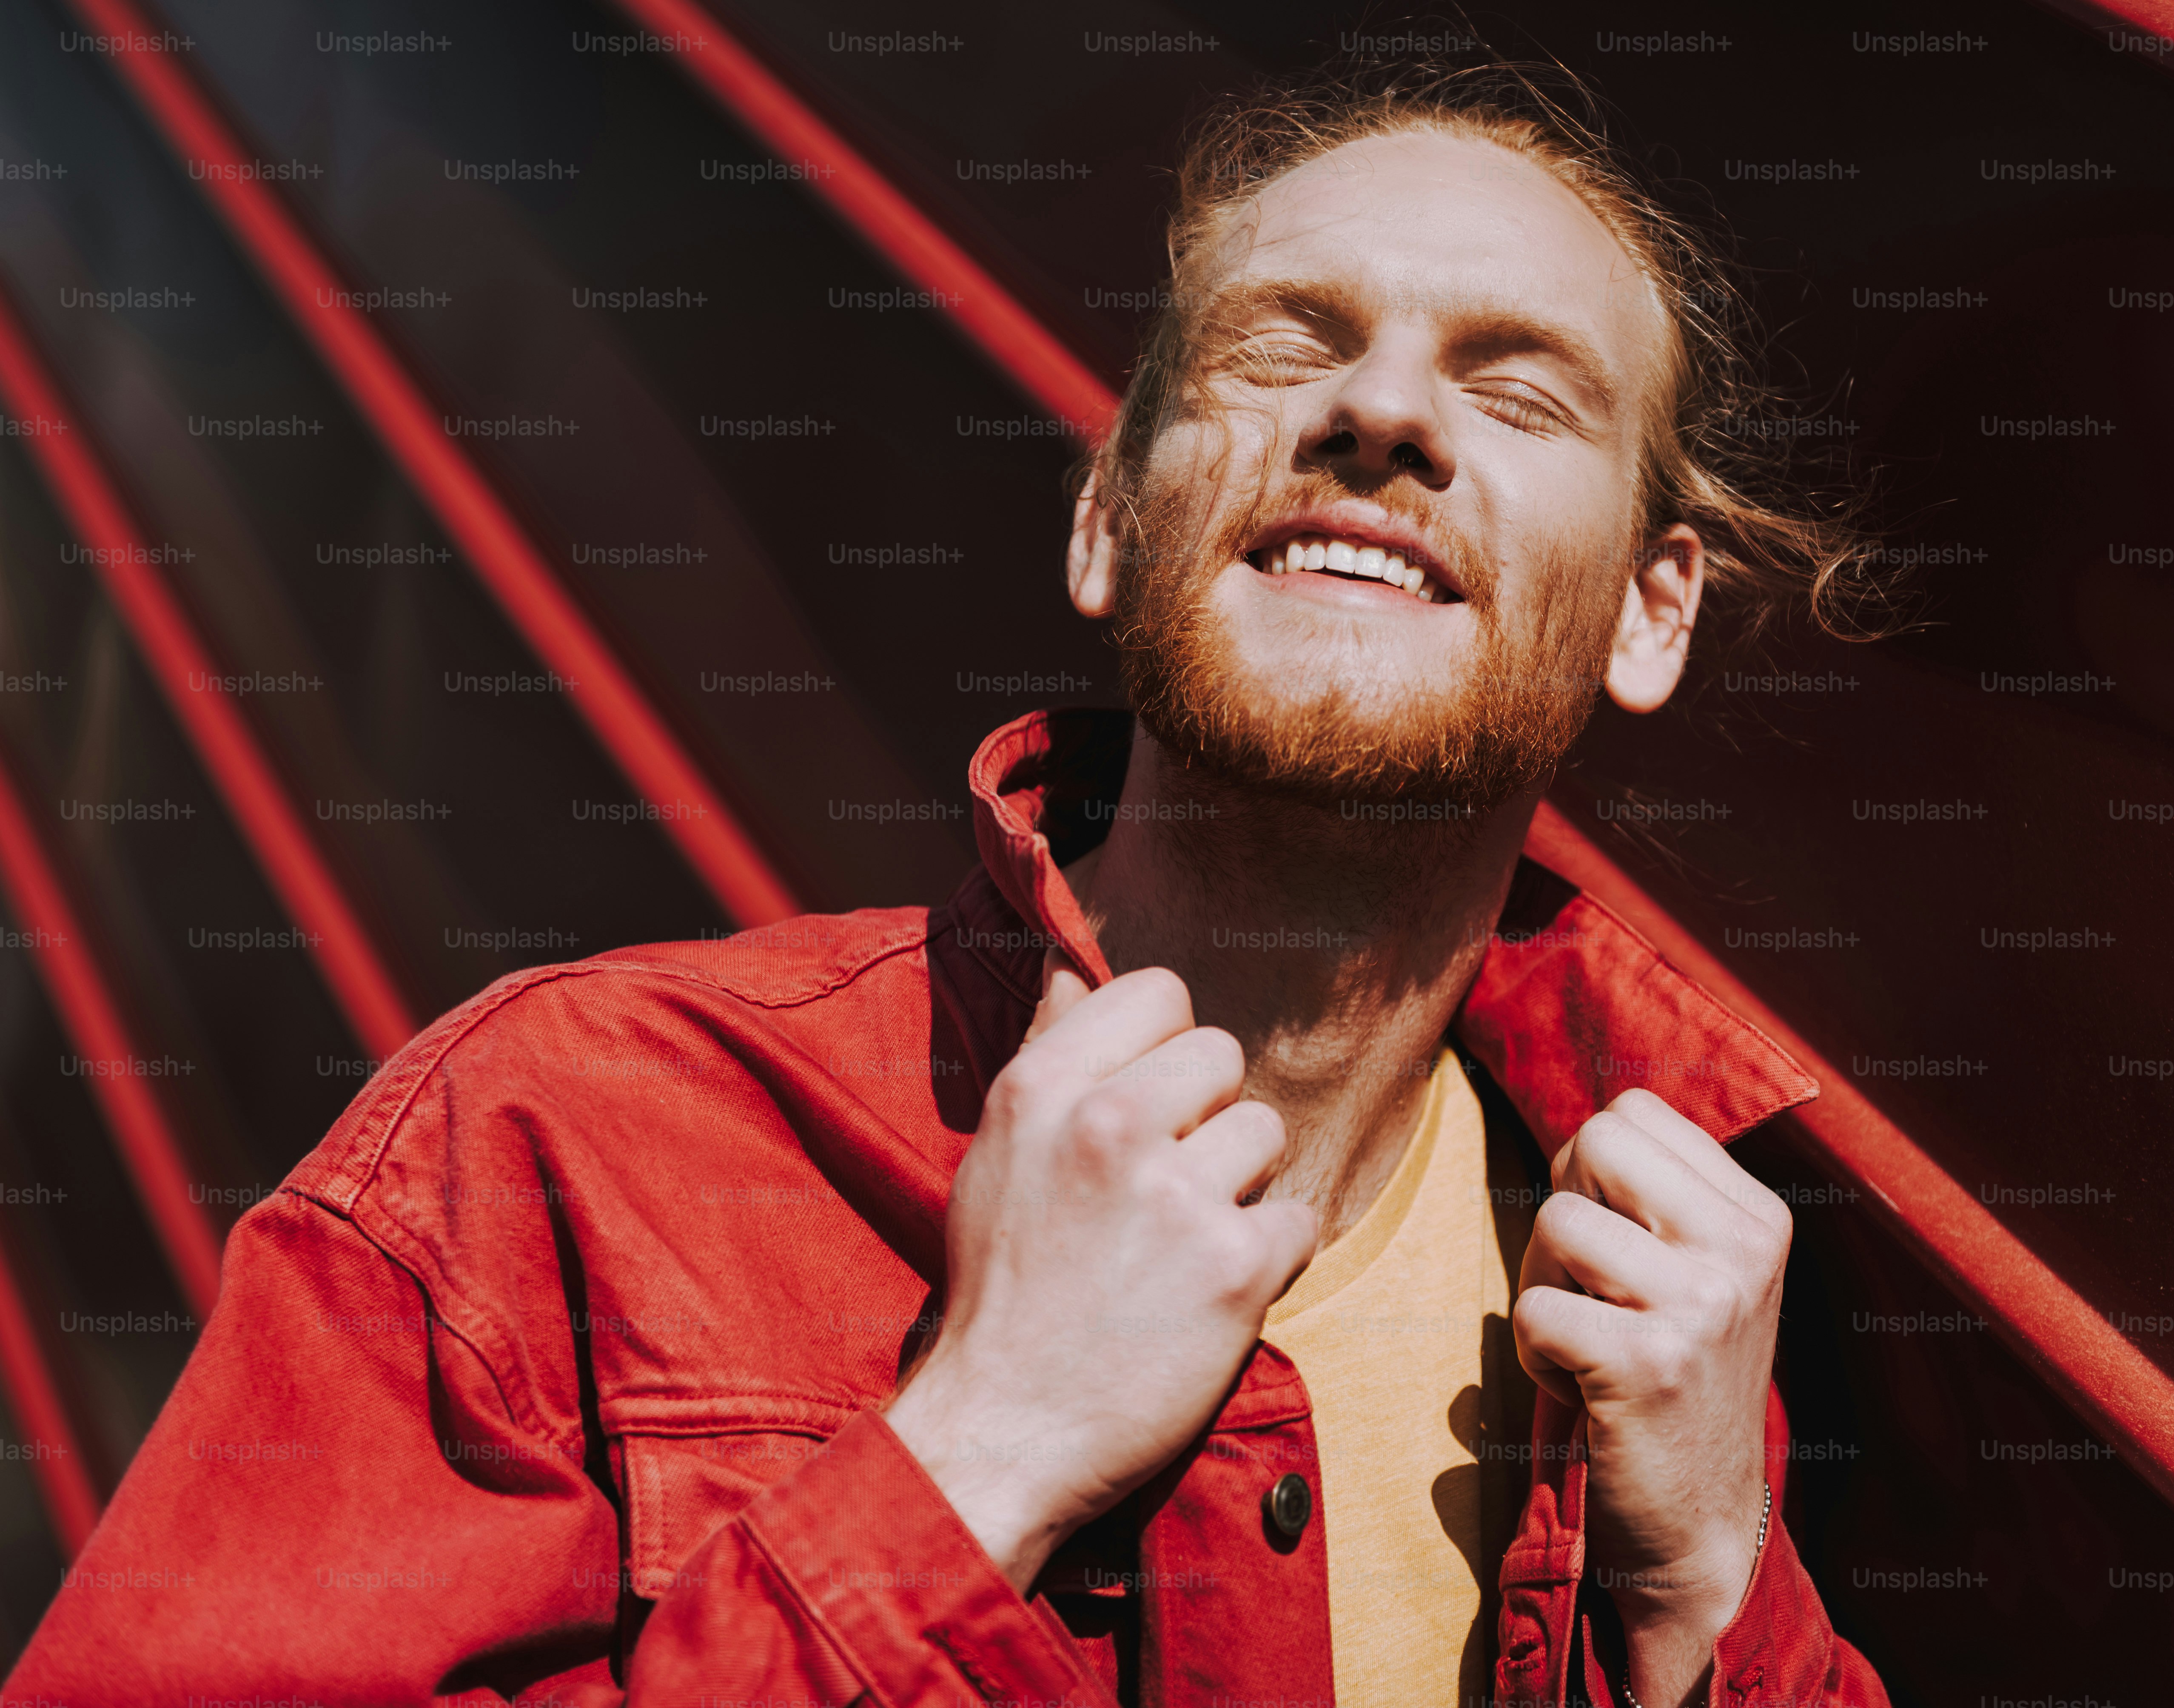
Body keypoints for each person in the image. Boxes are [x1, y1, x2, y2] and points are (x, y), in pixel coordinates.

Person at [9, 64, 1886, 1708]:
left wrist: (1719, 1585)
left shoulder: (1674, 1304)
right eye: (1283, 347)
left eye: (1520, 389)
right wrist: (978, 1453)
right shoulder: (549, 1141)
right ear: (1108, 517)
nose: (1377, 417)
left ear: (1654, 614)